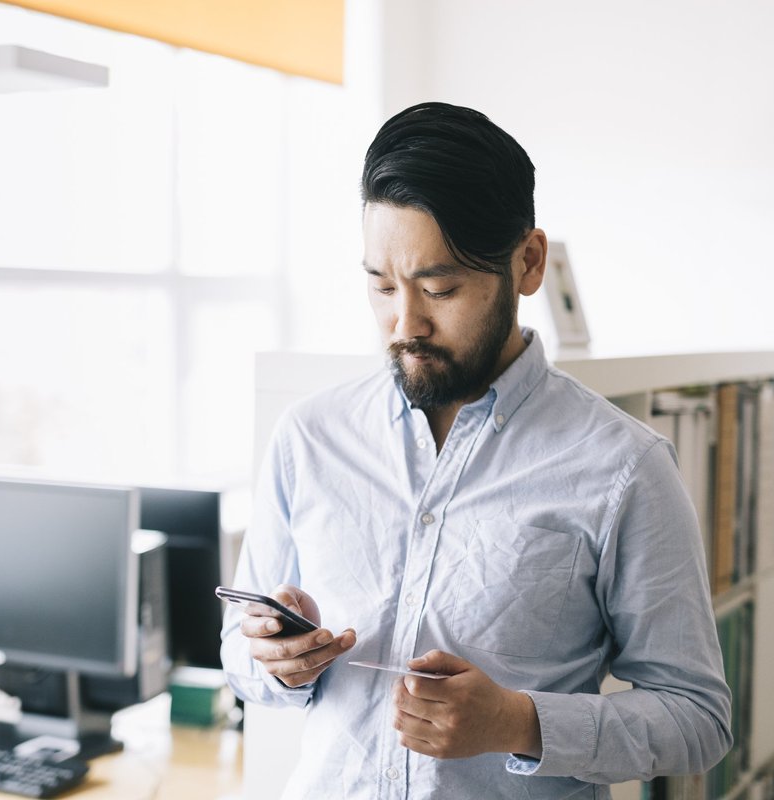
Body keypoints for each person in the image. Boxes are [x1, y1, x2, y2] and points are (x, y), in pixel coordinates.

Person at [220, 101, 732, 799]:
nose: (405, 323)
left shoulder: (624, 467)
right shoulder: (309, 436)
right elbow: (242, 661)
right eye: (380, 285)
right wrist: (277, 660)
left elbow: (697, 719)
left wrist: (518, 723)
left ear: (527, 262)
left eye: (440, 288)